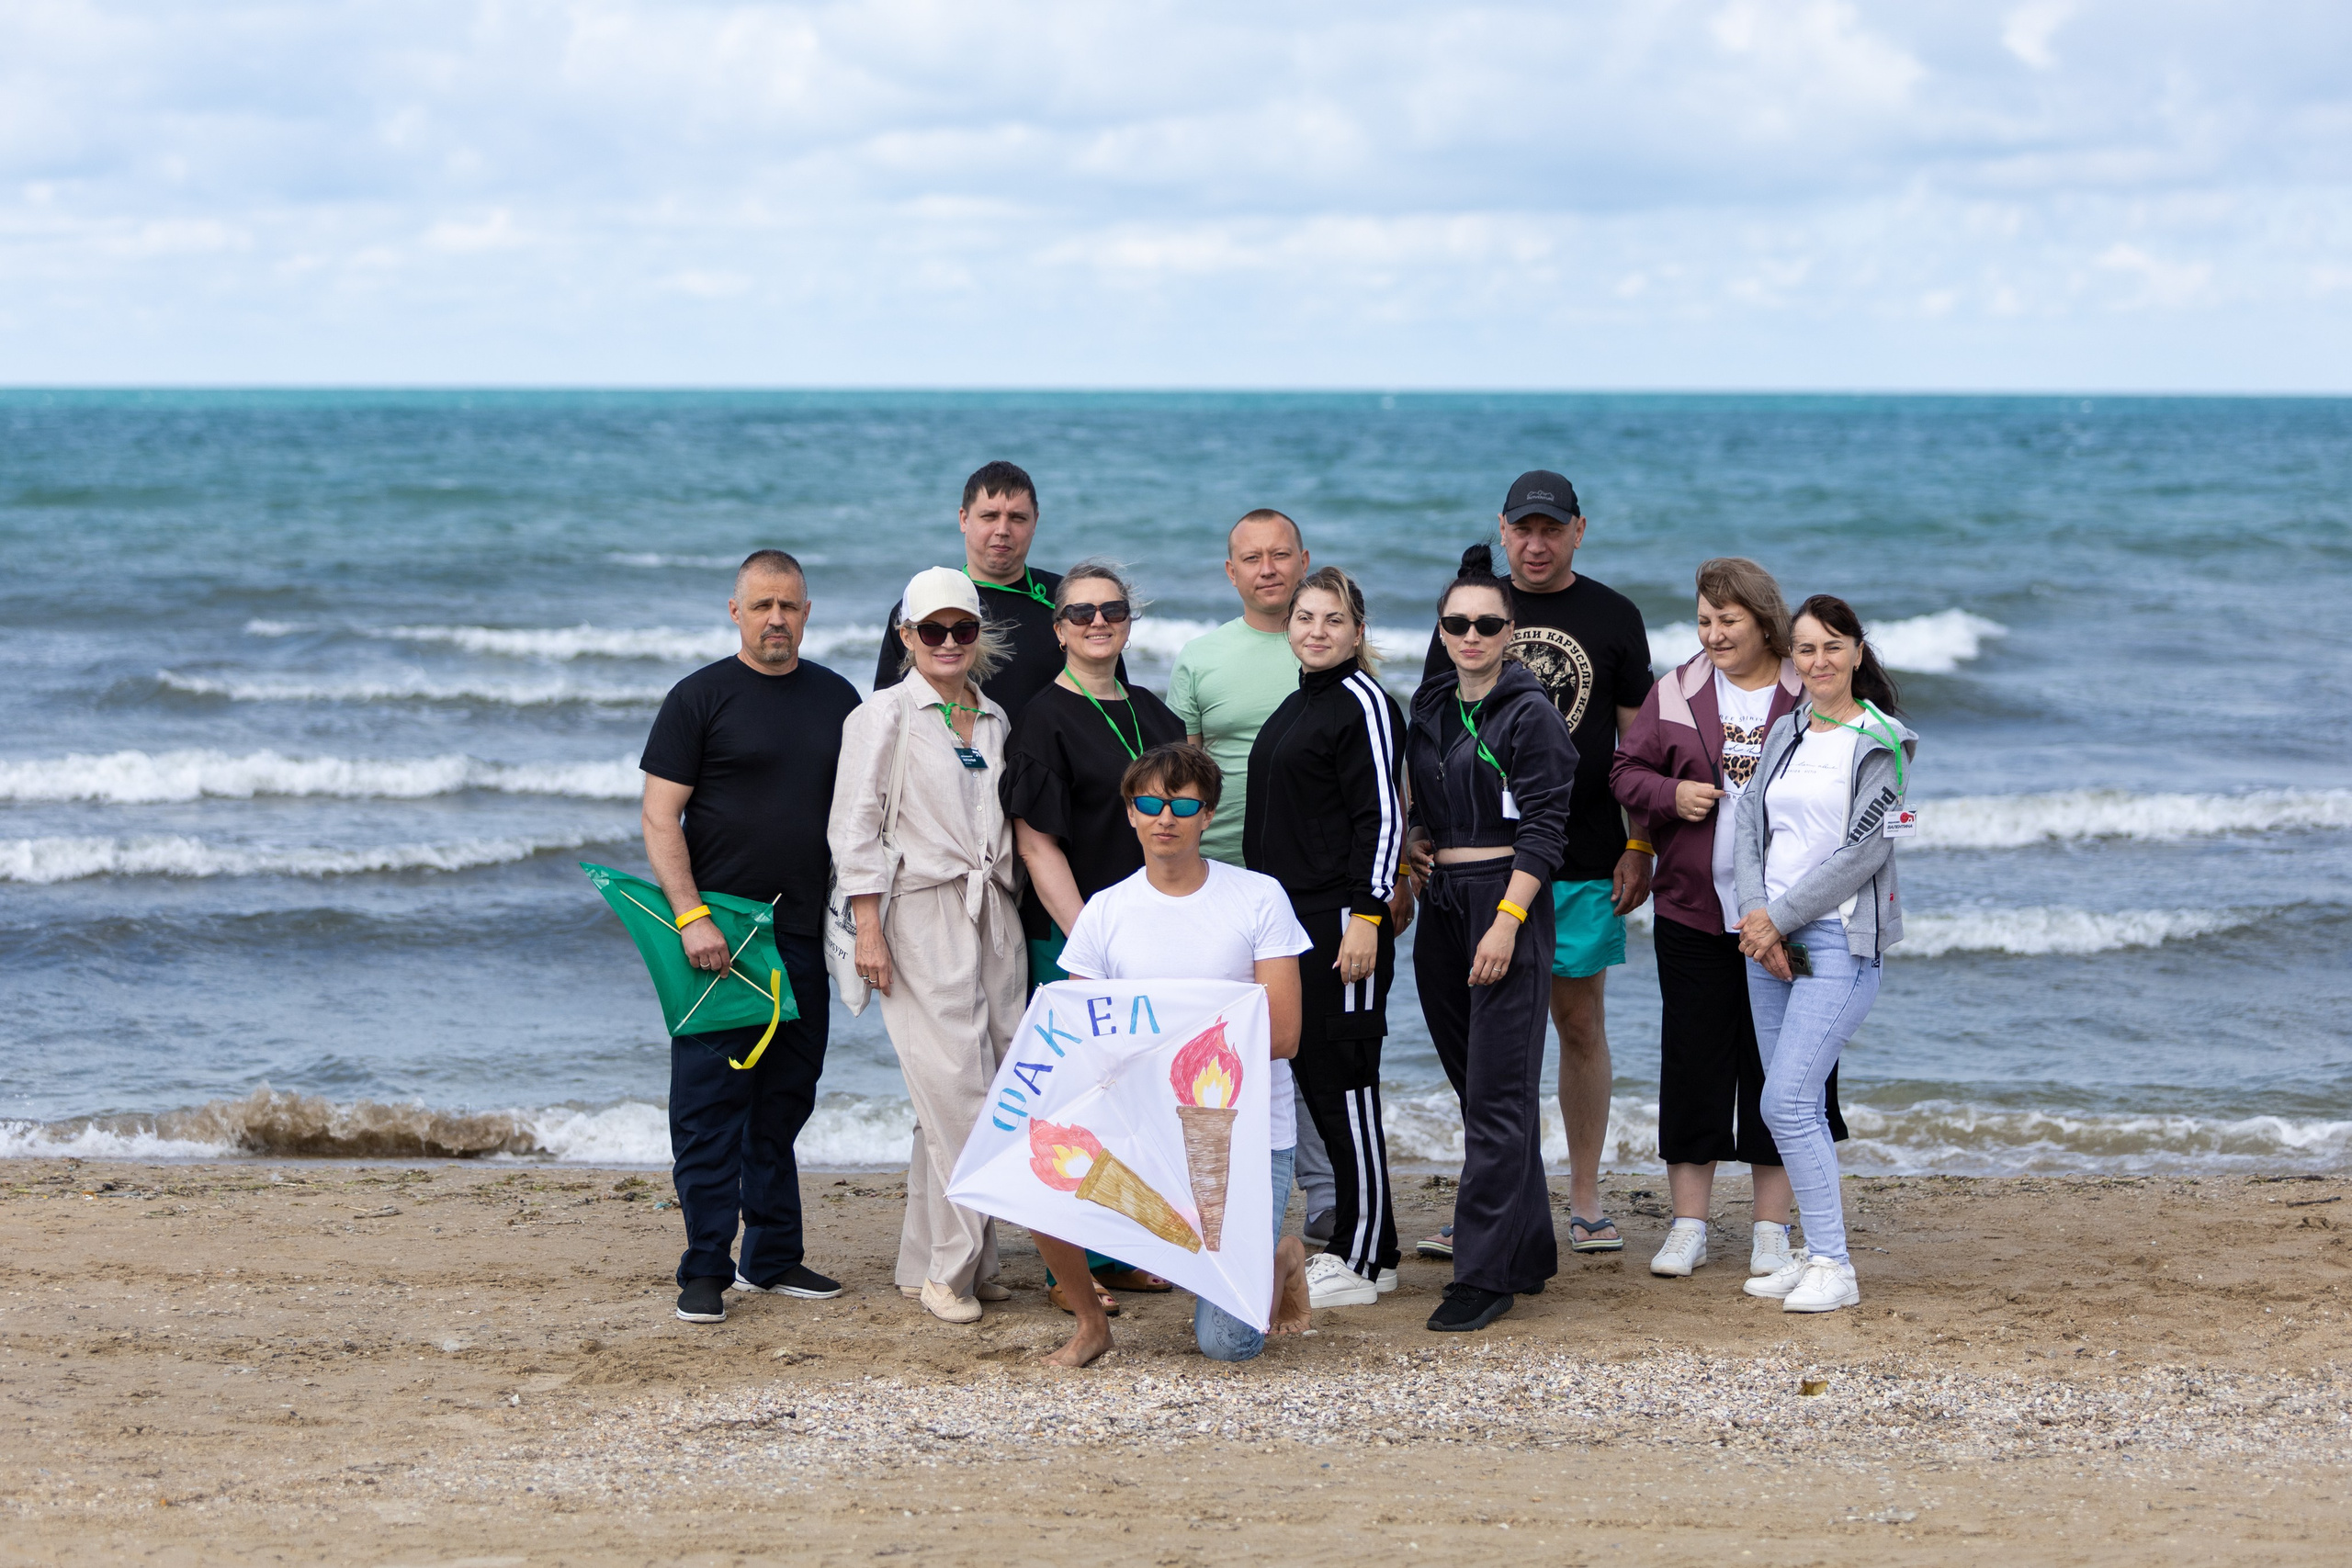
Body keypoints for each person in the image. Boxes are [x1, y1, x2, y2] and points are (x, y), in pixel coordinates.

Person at [1418, 471, 1651, 1260]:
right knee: (1484, 1043)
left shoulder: (1614, 616)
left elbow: (1636, 747)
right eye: (1524, 528)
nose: (1537, 543)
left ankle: (1583, 1195)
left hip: (1579, 855)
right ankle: (1490, 1194)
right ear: (1503, 528)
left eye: (1552, 529)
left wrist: (1640, 842)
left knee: (1578, 1022)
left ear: (1579, 530)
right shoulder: (1467, 612)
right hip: (1478, 865)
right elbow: (1432, 738)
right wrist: (1416, 837)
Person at [639, 549, 862, 1325]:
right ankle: (705, 1266)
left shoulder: (837, 698)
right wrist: (691, 916)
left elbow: (861, 817)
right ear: (735, 611)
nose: (776, 618)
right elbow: (659, 816)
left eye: (789, 606)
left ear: (807, 613)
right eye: (762, 605)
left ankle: (771, 1253)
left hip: (802, 933)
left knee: (785, 1100)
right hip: (721, 939)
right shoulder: (698, 697)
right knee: (709, 1108)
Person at [1039, 742, 1314, 1367]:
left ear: (1207, 815)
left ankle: (1281, 1258)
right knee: (1037, 1169)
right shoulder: (1105, 911)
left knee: (1228, 1345)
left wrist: (1157, 1045)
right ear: (1130, 813)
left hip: (1244, 1133)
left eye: (1184, 805)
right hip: (1142, 1125)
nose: (1166, 817)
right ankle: (1090, 1324)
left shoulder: (1258, 897)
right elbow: (1087, 1034)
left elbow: (1283, 1035)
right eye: (1151, 803)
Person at [1611, 558, 1848, 1281]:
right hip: (1692, 909)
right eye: (1704, 620)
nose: (1713, 634)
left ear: (1763, 620)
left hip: (1789, 916)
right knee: (1693, 1063)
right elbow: (1624, 771)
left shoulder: (1806, 689)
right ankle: (1689, 1225)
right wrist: (1670, 795)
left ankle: (1772, 1230)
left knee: (1782, 1068)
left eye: (1728, 620)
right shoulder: (1677, 689)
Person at [829, 567, 1025, 1325]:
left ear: (978, 634)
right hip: (918, 911)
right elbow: (853, 827)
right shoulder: (882, 714)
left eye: (962, 628)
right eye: (932, 629)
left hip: (993, 910)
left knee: (991, 1083)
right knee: (956, 1091)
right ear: (906, 635)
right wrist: (869, 927)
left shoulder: (995, 716)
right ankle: (952, 1269)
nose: (948, 642)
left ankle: (936, 1258)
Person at [999, 558, 1186, 1314]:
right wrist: (1090, 941)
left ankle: (1125, 1251)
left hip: (1157, 933)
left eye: (1112, 610)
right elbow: (1035, 843)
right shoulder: (1041, 718)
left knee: (1139, 1099)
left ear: (1128, 623)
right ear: (1059, 629)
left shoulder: (1155, 714)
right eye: (1081, 612)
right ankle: (1069, 1270)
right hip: (1075, 936)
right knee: (1075, 1104)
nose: (1098, 621)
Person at [1405, 546, 1579, 1333]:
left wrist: (1508, 921)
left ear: (1511, 630)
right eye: (1457, 624)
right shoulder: (1432, 706)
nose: (1470, 635)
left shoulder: (1530, 713)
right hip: (1442, 902)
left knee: (1500, 1093)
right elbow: (1422, 798)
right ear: (1441, 631)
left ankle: (1481, 1275)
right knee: (1478, 1089)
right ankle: (1527, 1250)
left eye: (1486, 624)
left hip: (1505, 901)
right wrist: (1416, 840)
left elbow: (1546, 828)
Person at [1169, 508, 1348, 1248]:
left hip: (1315, 881)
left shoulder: (1332, 646)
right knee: (1214, 1045)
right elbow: (1179, 779)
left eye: (1281, 554)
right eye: (1252, 557)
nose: (1268, 568)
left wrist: (1394, 873)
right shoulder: (1200, 658)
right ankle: (1210, 1199)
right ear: (1231, 571)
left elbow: (1374, 767)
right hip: (1220, 880)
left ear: (1304, 560)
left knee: (1309, 1041)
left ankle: (1327, 1194)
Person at [1734, 595, 1917, 1315]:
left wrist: (1774, 918)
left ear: (1857, 652)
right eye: (1805, 648)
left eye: (1833, 646)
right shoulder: (1788, 728)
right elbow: (1749, 822)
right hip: (1767, 940)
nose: (1819, 661)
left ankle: (1835, 1266)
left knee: (1785, 1100)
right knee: (1792, 1106)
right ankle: (1815, 1255)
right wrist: (1758, 915)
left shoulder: (1885, 742)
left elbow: (1864, 854)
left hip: (1838, 941)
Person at [1243, 567, 1407, 1309]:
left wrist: (1370, 913)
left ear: (1357, 630)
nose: (1317, 630)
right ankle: (1364, 1242)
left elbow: (1384, 816)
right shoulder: (1299, 701)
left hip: (1343, 921)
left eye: (1333, 619)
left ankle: (1366, 1257)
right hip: (1291, 924)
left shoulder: (1364, 701)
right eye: (1305, 617)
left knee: (1349, 1085)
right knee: (1316, 1084)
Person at [873, 460, 1125, 727]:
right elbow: (888, 711)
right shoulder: (924, 606)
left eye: (1017, 518)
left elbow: (1114, 695)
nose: (1003, 530)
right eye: (989, 516)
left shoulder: (1072, 601)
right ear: (964, 519)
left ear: (1035, 522)